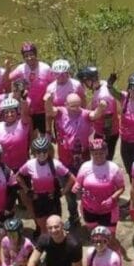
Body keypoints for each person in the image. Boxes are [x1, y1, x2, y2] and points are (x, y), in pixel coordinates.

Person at [73, 137, 126, 256]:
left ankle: (117, 265)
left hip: (109, 210)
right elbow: (78, 183)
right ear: (91, 153)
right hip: (89, 209)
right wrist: (76, 188)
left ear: (106, 152)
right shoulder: (85, 167)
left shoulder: (113, 168)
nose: (98, 156)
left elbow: (122, 188)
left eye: (101, 153)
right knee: (95, 237)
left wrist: (112, 198)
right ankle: (100, 261)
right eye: (95, 153)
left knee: (110, 239)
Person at [18, 135, 72, 237]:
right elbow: (18, 176)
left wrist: (61, 193)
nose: (42, 154)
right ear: (34, 152)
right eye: (38, 152)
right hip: (38, 199)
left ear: (48, 151)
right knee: (43, 229)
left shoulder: (55, 164)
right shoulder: (30, 164)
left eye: (44, 151)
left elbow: (71, 178)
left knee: (56, 228)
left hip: (52, 199)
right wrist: (27, 190)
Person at [53, 92, 92, 223]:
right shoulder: (60, 113)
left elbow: (95, 115)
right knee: (69, 194)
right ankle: (74, 216)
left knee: (88, 190)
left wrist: (102, 107)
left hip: (84, 162)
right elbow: (49, 111)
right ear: (66, 105)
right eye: (72, 106)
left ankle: (90, 216)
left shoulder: (85, 114)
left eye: (78, 105)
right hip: (65, 162)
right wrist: (47, 100)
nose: (76, 108)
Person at [9, 41, 52, 134]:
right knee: (27, 138)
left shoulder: (46, 68)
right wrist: (15, 93)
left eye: (31, 54)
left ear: (36, 54)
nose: (29, 58)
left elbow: (54, 85)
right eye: (26, 56)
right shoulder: (21, 68)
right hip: (26, 111)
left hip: (42, 110)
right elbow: (8, 79)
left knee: (44, 140)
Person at [82, 65, 119, 160]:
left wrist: (104, 141)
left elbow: (108, 122)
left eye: (86, 81)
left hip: (107, 134)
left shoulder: (103, 96)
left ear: (91, 80)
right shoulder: (101, 84)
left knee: (103, 159)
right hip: (99, 130)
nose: (85, 84)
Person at [44, 59, 84, 136]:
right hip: (59, 123)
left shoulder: (77, 85)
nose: (61, 77)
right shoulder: (50, 88)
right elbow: (48, 110)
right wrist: (48, 130)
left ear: (68, 73)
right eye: (57, 74)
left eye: (64, 74)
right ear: (53, 74)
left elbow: (83, 103)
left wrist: (85, 120)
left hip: (76, 121)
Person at [0, 96, 32, 173]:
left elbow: (25, 113)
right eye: (6, 112)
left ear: (17, 112)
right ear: (2, 114)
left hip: (22, 167)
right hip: (5, 168)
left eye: (12, 111)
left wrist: (23, 100)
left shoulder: (23, 123)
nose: (9, 114)